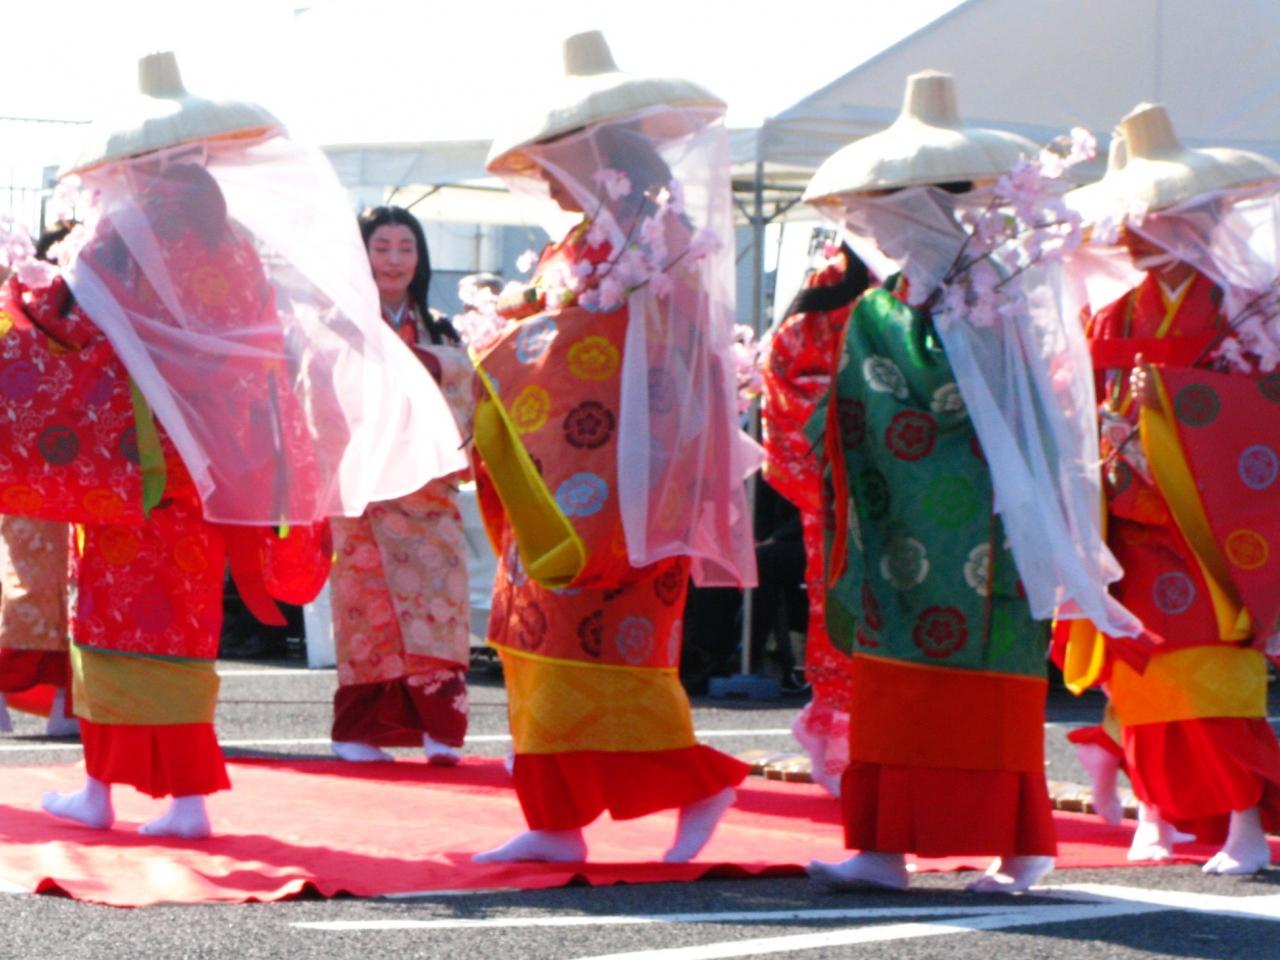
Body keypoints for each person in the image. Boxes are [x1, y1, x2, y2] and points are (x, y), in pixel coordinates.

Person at [0, 52, 463, 837]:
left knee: (108, 618)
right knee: (182, 624)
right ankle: (179, 798)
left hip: (129, 461)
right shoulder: (233, 240)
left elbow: (66, 323)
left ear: (137, 163)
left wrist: (20, 290)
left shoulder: (116, 240)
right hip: (206, 462)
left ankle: (109, 789)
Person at [802, 70, 1141, 894]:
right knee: (896, 688)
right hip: (902, 520)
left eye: (881, 207)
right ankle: (882, 847)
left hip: (988, 521)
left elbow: (1006, 408)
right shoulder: (906, 300)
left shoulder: (990, 294)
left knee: (983, 694)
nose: (872, 224)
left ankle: (1019, 849)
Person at [469, 31, 758, 864]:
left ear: (594, 156)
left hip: (629, 475)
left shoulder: (658, 237)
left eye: (552, 163)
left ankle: (696, 783)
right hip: (551, 464)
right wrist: (512, 340)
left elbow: (651, 347)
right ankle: (553, 821)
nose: (546, 182)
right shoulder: (581, 244)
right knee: (535, 631)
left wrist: (518, 346)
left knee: (606, 635)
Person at [1061, 103, 1280, 874]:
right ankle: (1154, 811)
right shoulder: (1116, 309)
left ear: (1194, 217)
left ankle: (1244, 826)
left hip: (1211, 522)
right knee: (1142, 672)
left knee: (1216, 675)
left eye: (1148, 218)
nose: (1128, 236)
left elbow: (1261, 408)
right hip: (1129, 516)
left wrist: (1173, 407)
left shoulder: (1247, 307)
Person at [329, 205, 473, 765]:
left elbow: (470, 390)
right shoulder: (341, 323)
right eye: (381, 247)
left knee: (441, 606)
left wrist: (433, 362)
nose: (394, 260)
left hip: (429, 496)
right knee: (371, 615)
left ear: (420, 257)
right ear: (360, 255)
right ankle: (359, 731)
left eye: (405, 248)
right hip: (366, 493)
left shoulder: (439, 328)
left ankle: (441, 728)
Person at [761, 242, 870, 794]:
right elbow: (784, 365)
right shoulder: (831, 288)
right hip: (845, 469)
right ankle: (837, 730)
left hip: (900, 469)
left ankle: (846, 732)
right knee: (839, 599)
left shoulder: (924, 280)